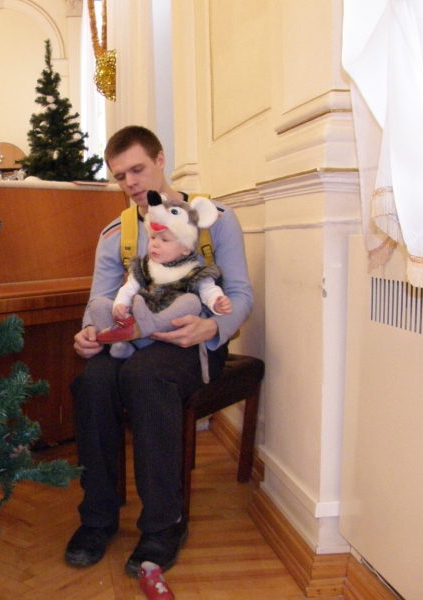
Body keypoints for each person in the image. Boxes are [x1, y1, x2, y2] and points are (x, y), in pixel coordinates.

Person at [65, 126, 254, 577]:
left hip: (195, 342)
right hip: (135, 338)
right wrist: (89, 332)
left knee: (145, 376)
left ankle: (164, 524)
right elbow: (101, 299)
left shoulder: (216, 219)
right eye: (119, 176)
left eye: (137, 169)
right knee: (91, 381)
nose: (130, 182)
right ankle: (97, 518)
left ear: (160, 160)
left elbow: (241, 294)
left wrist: (212, 326)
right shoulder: (116, 233)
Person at [88, 190, 232, 361]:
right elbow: (128, 289)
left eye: (164, 240)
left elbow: (209, 290)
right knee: (98, 305)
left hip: (168, 332)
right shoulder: (143, 267)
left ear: (186, 248)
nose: (155, 245)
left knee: (192, 301)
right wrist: (120, 305)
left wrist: (217, 302)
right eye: (153, 237)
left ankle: (150, 325)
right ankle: (121, 343)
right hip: (137, 326)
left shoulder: (194, 271)